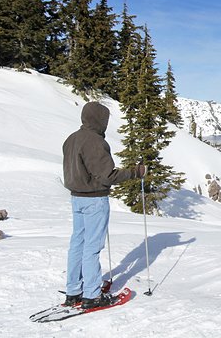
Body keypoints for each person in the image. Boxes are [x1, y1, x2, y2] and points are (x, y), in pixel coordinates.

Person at [62, 101, 145, 309]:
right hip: (94, 199)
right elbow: (107, 176)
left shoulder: (71, 139)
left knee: (77, 243)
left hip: (76, 198)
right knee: (92, 247)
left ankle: (74, 291)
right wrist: (135, 172)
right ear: (99, 119)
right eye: (105, 119)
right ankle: (92, 295)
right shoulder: (95, 141)